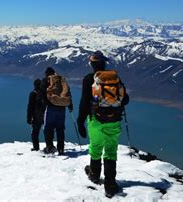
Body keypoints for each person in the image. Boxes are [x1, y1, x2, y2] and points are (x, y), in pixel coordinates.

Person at [77, 50, 129, 198]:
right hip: (114, 120)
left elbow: (84, 102)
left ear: (92, 64)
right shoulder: (115, 78)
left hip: (95, 120)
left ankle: (94, 174)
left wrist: (81, 122)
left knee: (96, 147)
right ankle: (110, 184)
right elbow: (125, 99)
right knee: (111, 150)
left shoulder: (89, 79)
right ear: (104, 63)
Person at [41, 67, 73, 155]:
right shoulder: (61, 81)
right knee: (60, 128)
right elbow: (68, 93)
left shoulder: (46, 80)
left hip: (50, 108)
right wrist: (70, 106)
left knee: (48, 128)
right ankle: (61, 148)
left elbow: (42, 94)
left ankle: (49, 147)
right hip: (62, 108)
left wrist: (46, 104)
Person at [27, 79, 46, 151]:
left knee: (35, 132)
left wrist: (29, 118)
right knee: (47, 132)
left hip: (36, 116)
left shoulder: (33, 93)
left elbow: (30, 107)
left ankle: (36, 147)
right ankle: (49, 146)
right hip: (44, 115)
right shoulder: (45, 93)